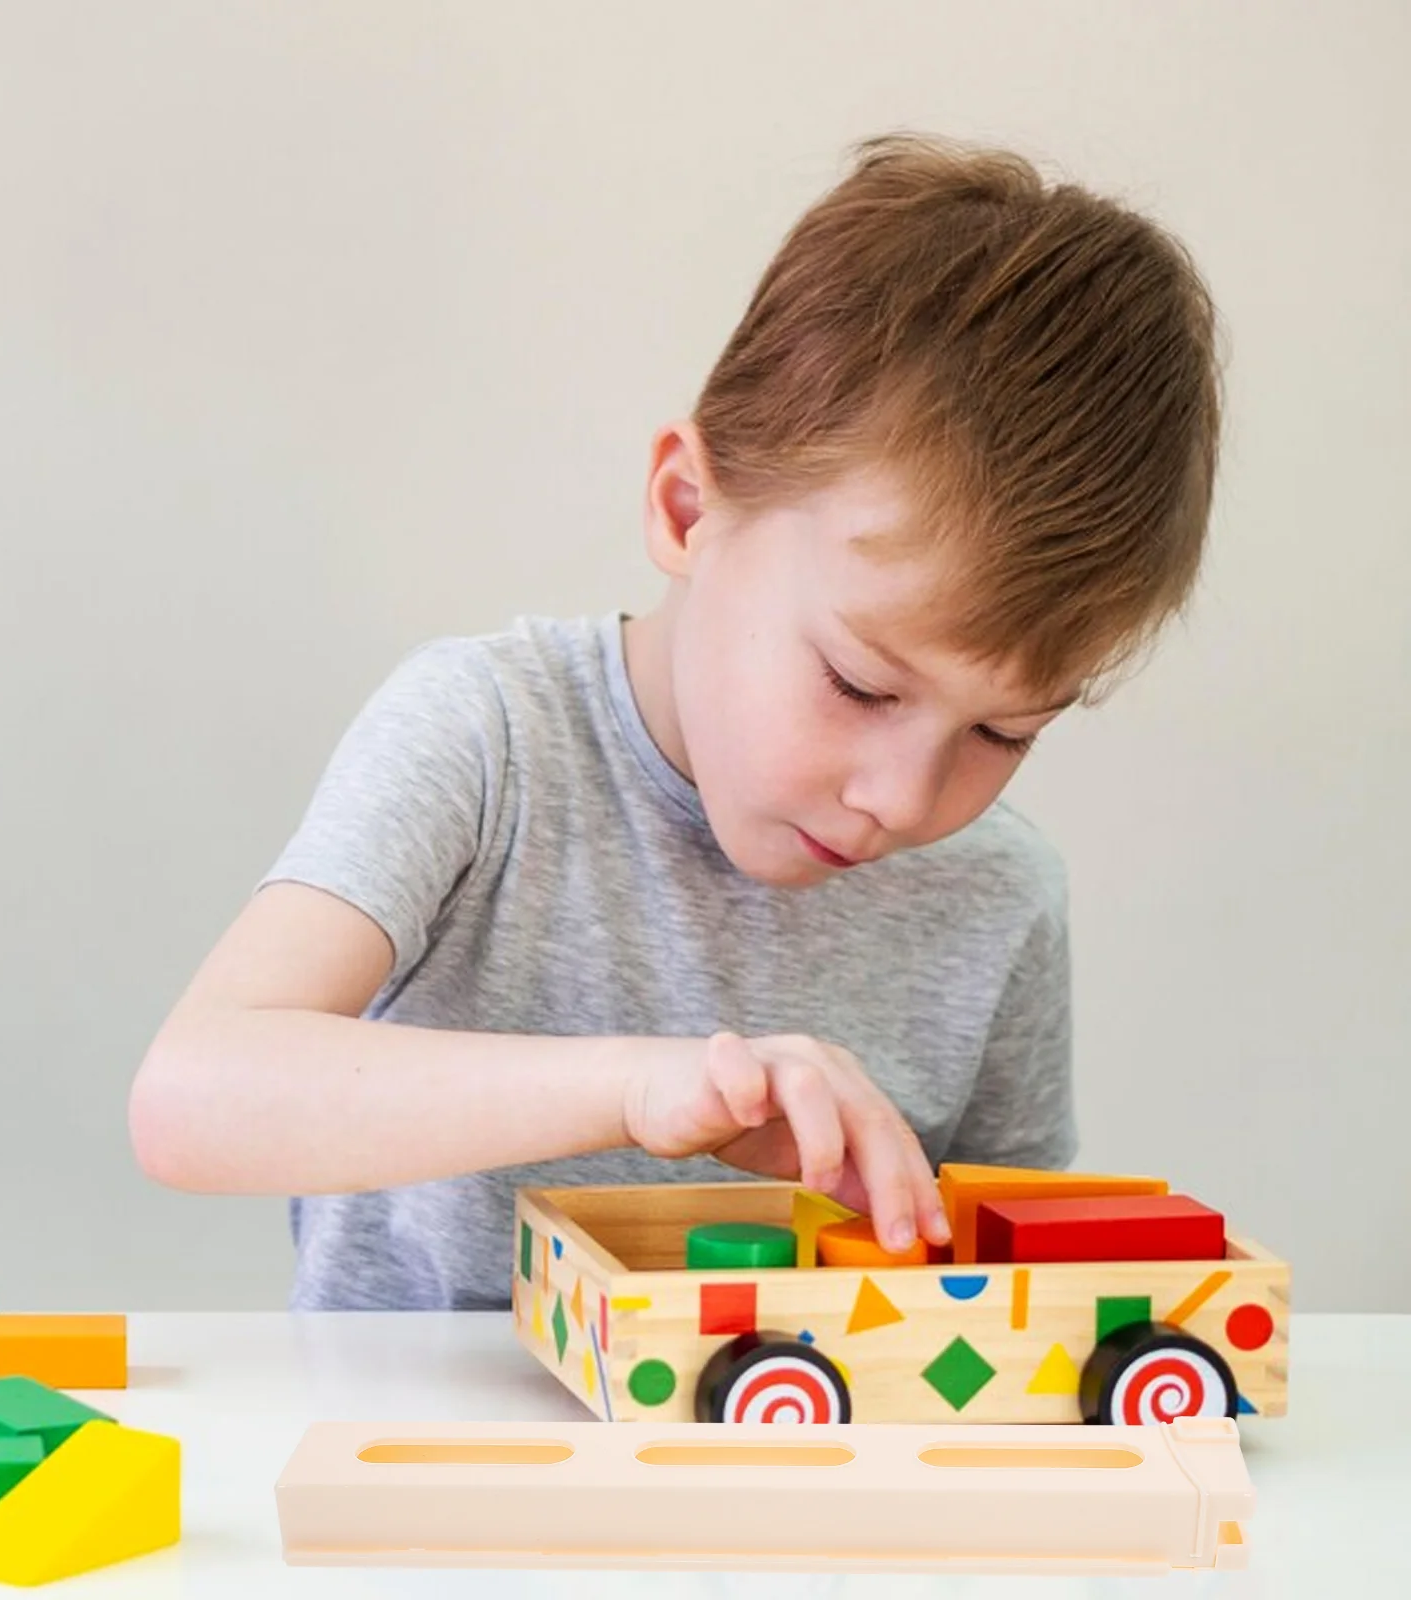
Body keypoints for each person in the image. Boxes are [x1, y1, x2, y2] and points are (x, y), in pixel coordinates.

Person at [129, 131, 1223, 1312]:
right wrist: (639, 1087)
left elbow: (1002, 1300)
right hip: (426, 1471)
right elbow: (193, 1096)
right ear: (689, 509)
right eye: (860, 685)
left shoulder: (997, 897)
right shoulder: (488, 740)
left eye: (1003, 735)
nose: (906, 801)